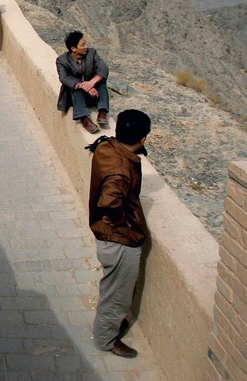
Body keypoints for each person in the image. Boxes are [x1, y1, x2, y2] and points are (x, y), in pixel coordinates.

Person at [88, 109, 151, 359]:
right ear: (142, 138)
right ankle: (106, 339)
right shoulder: (121, 171)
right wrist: (123, 224)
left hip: (108, 237)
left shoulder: (106, 147)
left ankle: (109, 327)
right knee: (116, 296)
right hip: (118, 241)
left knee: (112, 290)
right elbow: (109, 202)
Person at [56, 30, 110, 133]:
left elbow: (103, 68)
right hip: (75, 97)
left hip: (93, 92)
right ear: (73, 48)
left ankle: (102, 111)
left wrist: (92, 83)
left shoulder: (92, 53)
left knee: (101, 81)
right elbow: (64, 78)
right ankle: (84, 119)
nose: (86, 47)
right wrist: (82, 85)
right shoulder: (62, 60)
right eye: (83, 45)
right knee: (75, 88)